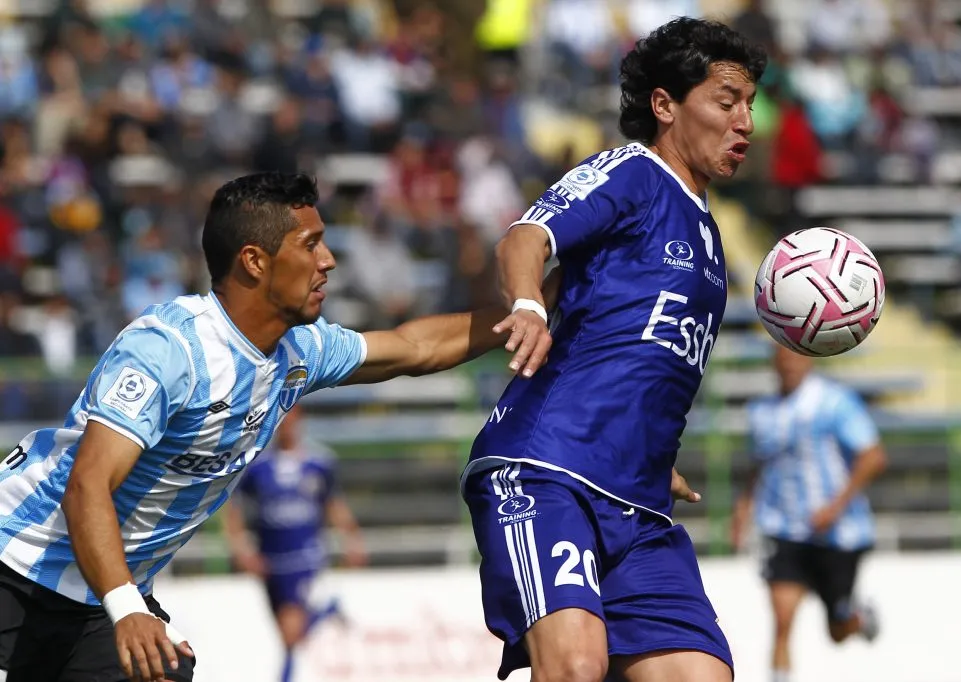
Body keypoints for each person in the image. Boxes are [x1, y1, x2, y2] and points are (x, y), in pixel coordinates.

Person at [0, 171, 557, 682]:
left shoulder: (298, 352)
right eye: (311, 244)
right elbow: (87, 485)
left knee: (165, 672)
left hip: (103, 597)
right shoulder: (171, 349)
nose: (329, 260)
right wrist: (127, 607)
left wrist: (538, 306)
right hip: (17, 566)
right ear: (255, 261)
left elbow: (414, 348)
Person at [461, 17, 767, 682]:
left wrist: (653, 455)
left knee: (702, 675)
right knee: (574, 667)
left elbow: (645, 360)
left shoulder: (711, 237)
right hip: (550, 469)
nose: (745, 120)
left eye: (749, 103)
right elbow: (525, 237)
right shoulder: (633, 173)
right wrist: (527, 304)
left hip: (637, 498)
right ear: (665, 104)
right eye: (725, 101)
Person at [732, 346, 887, 682]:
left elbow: (873, 456)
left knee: (837, 630)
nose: (788, 367)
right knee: (782, 618)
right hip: (783, 528)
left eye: (795, 360)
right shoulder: (762, 411)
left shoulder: (834, 402)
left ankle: (858, 619)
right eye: (782, 362)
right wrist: (744, 508)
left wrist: (835, 507)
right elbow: (758, 465)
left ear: (808, 360)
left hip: (837, 533)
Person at [222, 404, 367, 682]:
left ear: (301, 422)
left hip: (305, 558)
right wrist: (241, 549)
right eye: (282, 420)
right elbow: (235, 508)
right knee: (287, 634)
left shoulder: (318, 462)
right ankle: (327, 610)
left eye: (292, 420)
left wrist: (352, 538)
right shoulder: (258, 465)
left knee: (290, 636)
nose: (287, 425)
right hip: (271, 559)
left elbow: (333, 504)